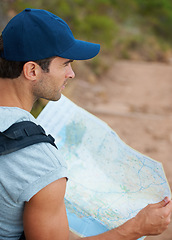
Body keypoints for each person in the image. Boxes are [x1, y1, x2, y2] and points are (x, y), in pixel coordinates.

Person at [0, 8, 171, 240]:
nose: (71, 74)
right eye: (65, 64)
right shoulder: (40, 161)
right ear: (32, 70)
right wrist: (135, 228)